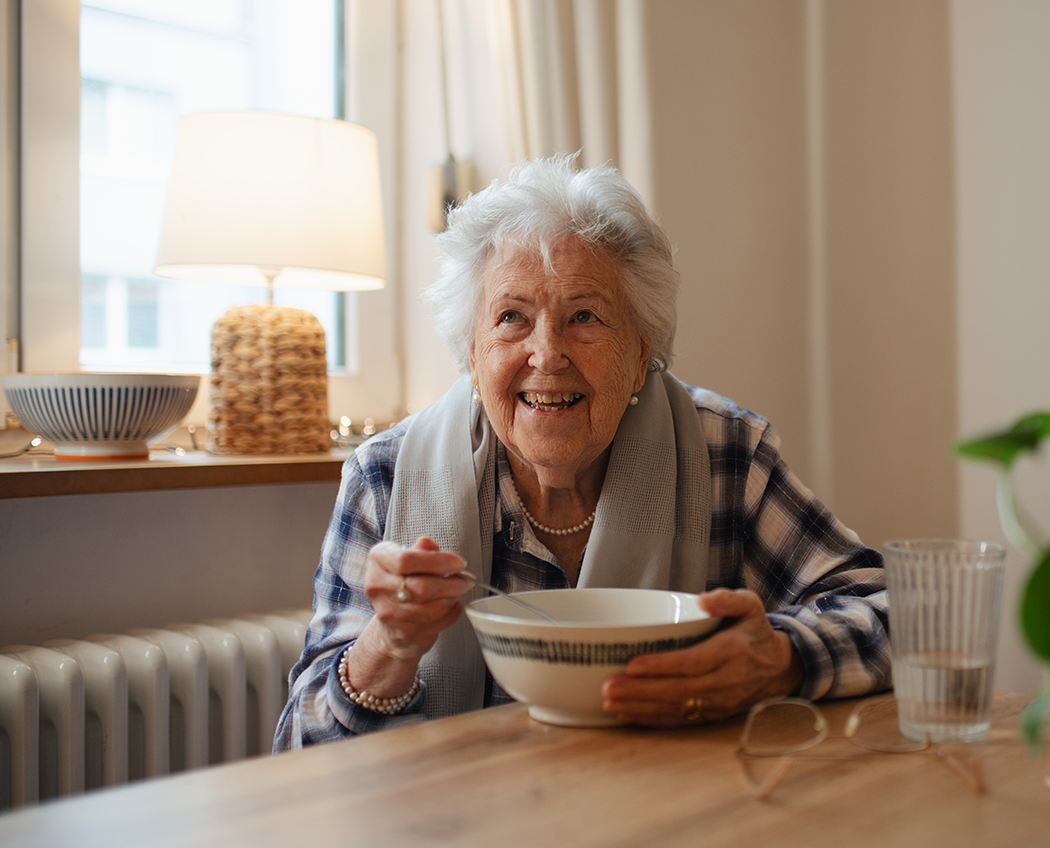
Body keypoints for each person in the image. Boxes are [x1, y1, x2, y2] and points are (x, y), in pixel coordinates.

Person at [274, 154, 889, 750]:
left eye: (585, 316)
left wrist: (778, 658)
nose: (547, 354)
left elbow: (896, 615)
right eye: (512, 317)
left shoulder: (722, 454)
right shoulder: (386, 475)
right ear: (471, 352)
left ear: (643, 350)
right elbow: (299, 743)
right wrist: (390, 645)